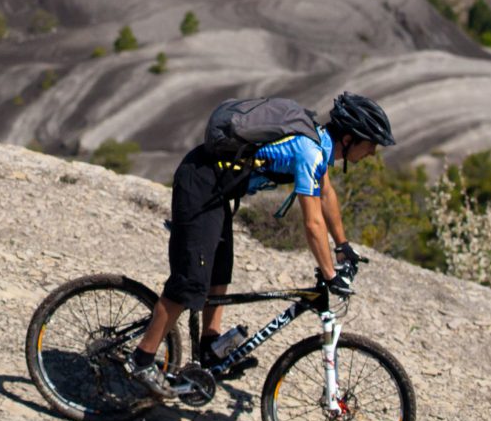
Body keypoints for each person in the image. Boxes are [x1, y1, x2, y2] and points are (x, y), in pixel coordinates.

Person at [123, 92, 396, 399]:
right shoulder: (310, 151)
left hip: (214, 192)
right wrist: (331, 275)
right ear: (349, 139)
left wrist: (343, 244)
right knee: (189, 284)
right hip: (199, 185)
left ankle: (211, 347)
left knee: (220, 271)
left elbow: (326, 194)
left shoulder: (318, 144)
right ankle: (142, 360)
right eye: (371, 144)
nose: (372, 152)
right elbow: (312, 223)